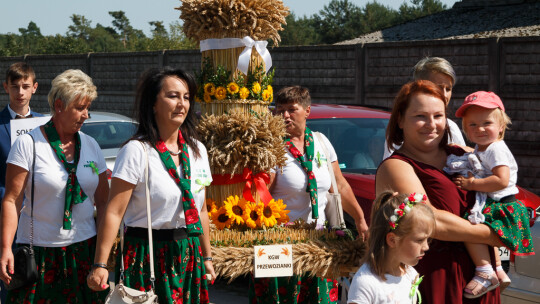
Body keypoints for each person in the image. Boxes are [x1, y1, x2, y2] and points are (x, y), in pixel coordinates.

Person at [86, 67, 215, 303]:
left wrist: (207, 257)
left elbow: (202, 209)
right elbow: (114, 212)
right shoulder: (136, 151)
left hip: (189, 253)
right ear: (153, 104)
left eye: (186, 97)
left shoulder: (197, 150)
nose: (181, 104)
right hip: (148, 255)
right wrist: (101, 264)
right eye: (173, 96)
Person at [376, 80, 502, 303]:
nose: (431, 124)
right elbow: (431, 220)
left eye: (438, 116)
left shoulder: (464, 155)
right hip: (435, 276)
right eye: (420, 116)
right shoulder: (395, 166)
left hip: (481, 279)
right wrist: (493, 235)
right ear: (400, 120)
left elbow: (501, 187)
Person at [249, 86, 369, 304]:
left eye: (291, 109)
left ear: (307, 111)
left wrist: (360, 219)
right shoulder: (271, 146)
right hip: (280, 243)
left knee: (319, 298)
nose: (284, 115)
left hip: (319, 243)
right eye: (279, 109)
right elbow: (260, 193)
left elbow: (340, 185)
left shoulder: (321, 142)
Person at [0, 69, 109, 303]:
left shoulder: (91, 145)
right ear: (59, 106)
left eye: (87, 108)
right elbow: (11, 200)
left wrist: (103, 257)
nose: (86, 115)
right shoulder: (28, 144)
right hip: (38, 253)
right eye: (80, 108)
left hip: (84, 251)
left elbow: (103, 203)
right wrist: (6, 248)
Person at [447, 91, 534, 298]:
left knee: (469, 228)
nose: (480, 129)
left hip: (503, 206)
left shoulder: (495, 149)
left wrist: (472, 184)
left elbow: (501, 179)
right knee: (480, 230)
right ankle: (498, 269)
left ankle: (485, 271)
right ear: (465, 129)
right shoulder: (482, 148)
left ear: (501, 127)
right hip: (499, 203)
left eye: (487, 123)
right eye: (473, 125)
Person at [0, 62, 44, 302]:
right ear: (6, 87)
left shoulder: (45, 124)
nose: (20, 92)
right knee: (11, 278)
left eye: (25, 86)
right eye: (15, 87)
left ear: (34, 88)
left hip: (41, 213)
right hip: (6, 212)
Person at [348, 190, 436, 304]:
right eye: (420, 240)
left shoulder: (410, 274)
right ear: (392, 240)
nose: (426, 247)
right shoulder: (366, 283)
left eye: (427, 240)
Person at [383, 57, 466, 159]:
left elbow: (464, 164)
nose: (444, 94)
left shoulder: (452, 127)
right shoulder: (404, 131)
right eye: (438, 87)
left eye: (448, 89)